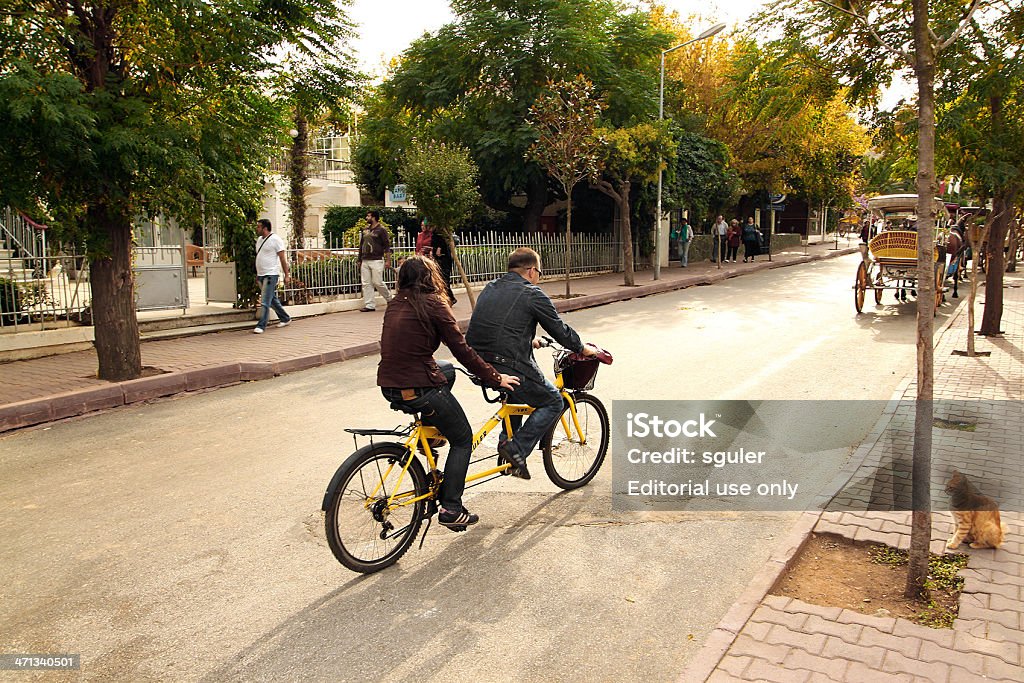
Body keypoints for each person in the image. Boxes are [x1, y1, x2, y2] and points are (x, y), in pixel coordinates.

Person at [378, 256, 520, 529]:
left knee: (448, 369)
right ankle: (452, 507)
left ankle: (428, 438)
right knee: (463, 438)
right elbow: (462, 349)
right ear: (430, 277)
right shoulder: (433, 303)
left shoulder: (394, 303)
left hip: (389, 385)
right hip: (419, 386)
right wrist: (495, 377)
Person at [466, 247, 598, 480]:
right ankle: (516, 449)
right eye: (539, 272)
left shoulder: (490, 287)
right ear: (531, 270)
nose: (539, 277)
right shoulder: (532, 293)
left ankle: (506, 447)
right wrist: (582, 348)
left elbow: (498, 325)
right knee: (553, 401)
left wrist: (530, 339)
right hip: (506, 362)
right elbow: (559, 330)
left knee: (517, 393)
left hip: (478, 363)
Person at [253, 218, 291, 334]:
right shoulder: (259, 240)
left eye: (259, 226)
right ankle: (285, 318)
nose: (257, 228)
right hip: (261, 274)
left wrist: (286, 275)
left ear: (265, 228)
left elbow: (282, 259)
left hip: (271, 274)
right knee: (271, 299)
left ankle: (261, 325)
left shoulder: (276, 240)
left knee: (265, 301)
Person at [358, 210, 394, 312]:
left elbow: (387, 246)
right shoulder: (365, 230)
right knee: (366, 283)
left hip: (377, 259)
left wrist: (388, 260)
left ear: (374, 217)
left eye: (368, 216)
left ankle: (389, 299)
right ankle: (369, 305)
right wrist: (359, 259)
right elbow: (361, 245)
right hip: (365, 259)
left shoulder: (381, 230)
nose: (366, 218)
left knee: (377, 282)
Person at [431, 228, 457, 305]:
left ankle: (450, 298)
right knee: (440, 279)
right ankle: (449, 298)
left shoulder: (441, 229)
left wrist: (439, 248)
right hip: (438, 257)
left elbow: (444, 240)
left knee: (444, 280)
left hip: (444, 257)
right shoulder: (434, 231)